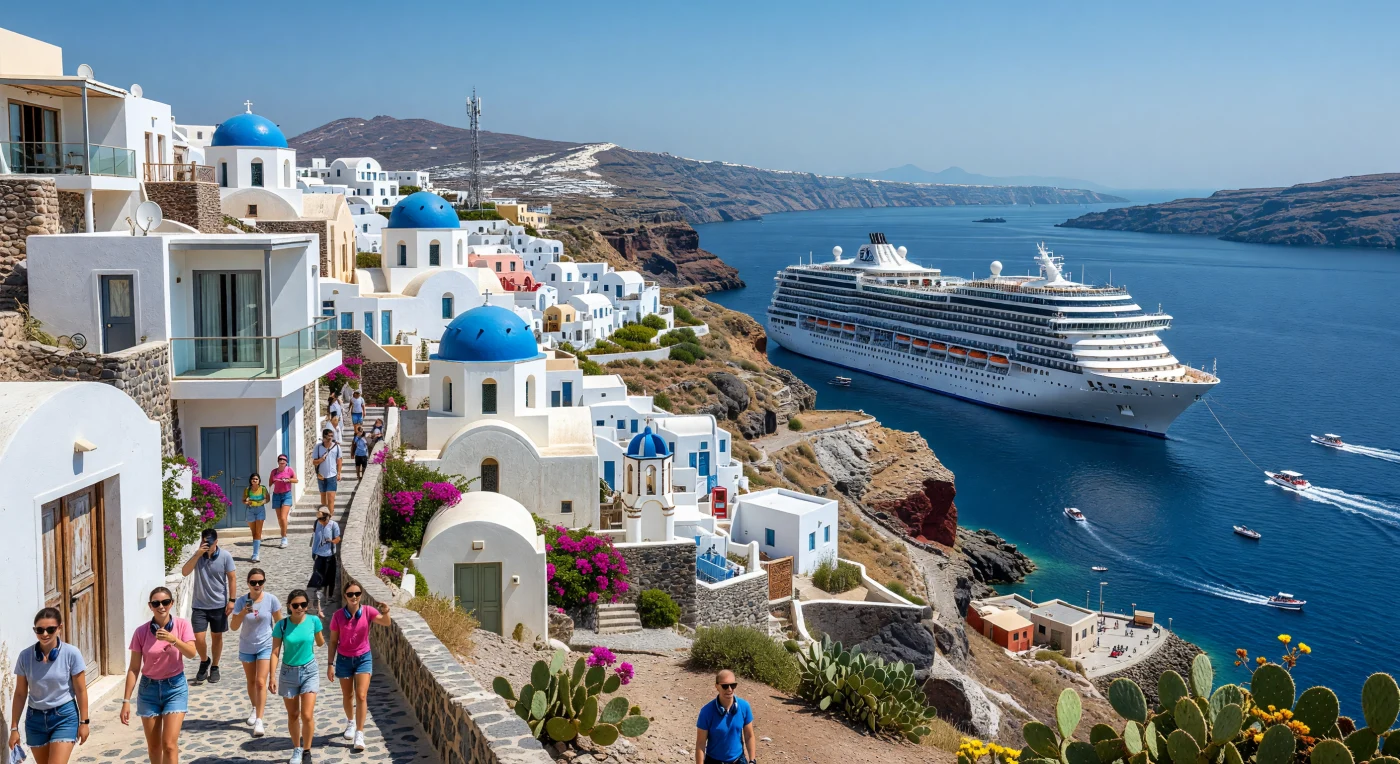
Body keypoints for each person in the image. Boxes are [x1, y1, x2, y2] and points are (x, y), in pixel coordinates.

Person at [120, 586, 197, 764]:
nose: (161, 606)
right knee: (154, 747)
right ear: (150, 606)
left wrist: (174, 640)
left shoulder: (182, 625)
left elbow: (192, 653)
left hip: (175, 688)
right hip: (149, 690)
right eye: (156, 603)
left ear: (172, 603)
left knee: (169, 745)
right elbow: (134, 668)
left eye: (165, 602)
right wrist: (126, 701)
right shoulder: (141, 632)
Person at [9, 608, 89, 764]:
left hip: (64, 716)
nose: (45, 634)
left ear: (60, 627)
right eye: (40, 630)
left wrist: (84, 722)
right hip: (35, 720)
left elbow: (81, 690)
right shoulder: (25, 656)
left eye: (50, 629)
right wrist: (14, 729)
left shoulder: (72, 654)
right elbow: (20, 694)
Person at [326, 581, 391, 753]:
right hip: (344, 660)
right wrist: (330, 664)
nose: (354, 597)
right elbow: (333, 642)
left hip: (363, 658)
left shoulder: (368, 611)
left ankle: (360, 733)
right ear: (345, 596)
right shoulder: (338, 616)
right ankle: (350, 722)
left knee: (361, 695)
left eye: (357, 593)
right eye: (350, 594)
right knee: (348, 695)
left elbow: (386, 622)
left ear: (361, 595)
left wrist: (386, 612)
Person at [269, 589, 324, 764]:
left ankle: (307, 750)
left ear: (307, 606)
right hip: (288, 672)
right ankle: (296, 748)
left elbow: (321, 642)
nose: (299, 608)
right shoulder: (282, 625)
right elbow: (275, 652)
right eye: (295, 605)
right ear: (289, 606)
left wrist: (322, 629)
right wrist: (272, 676)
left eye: (303, 605)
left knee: (307, 714)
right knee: (293, 714)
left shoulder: (314, 621)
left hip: (309, 670)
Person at [231, 568, 282, 739]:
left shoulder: (271, 600)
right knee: (251, 681)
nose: (257, 585)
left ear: (264, 582)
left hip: (265, 645)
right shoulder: (241, 602)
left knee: (261, 682)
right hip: (247, 645)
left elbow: (279, 623)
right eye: (253, 582)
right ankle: (254, 707)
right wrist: (243, 613)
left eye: (260, 582)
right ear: (248, 583)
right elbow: (233, 626)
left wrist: (281, 643)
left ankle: (259, 720)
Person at [181, 528, 236, 685]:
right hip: (199, 605)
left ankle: (215, 666)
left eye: (210, 543)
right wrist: (197, 554)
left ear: (216, 542)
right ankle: (204, 660)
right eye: (204, 542)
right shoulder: (197, 556)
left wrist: (232, 600)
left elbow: (232, 578)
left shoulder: (225, 556)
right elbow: (185, 572)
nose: (207, 545)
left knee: (216, 637)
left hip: (219, 605)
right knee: (198, 638)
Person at [695, 669, 756, 764]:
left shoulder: (744, 706)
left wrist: (752, 760)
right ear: (717, 687)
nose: (729, 689)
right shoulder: (706, 712)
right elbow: (700, 744)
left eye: (733, 685)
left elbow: (749, 736)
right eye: (725, 686)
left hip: (739, 760)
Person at [307, 507, 342, 617]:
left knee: (330, 577)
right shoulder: (317, 523)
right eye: (320, 519)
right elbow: (315, 536)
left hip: (329, 555)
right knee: (318, 577)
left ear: (328, 517)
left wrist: (331, 541)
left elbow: (338, 539)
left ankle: (329, 597)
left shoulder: (333, 525)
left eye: (323, 519)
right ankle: (317, 601)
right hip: (319, 554)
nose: (321, 521)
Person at [269, 454, 298, 550]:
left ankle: (284, 537)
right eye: (280, 459)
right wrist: (275, 482)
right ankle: (283, 532)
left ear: (286, 462)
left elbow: (296, 480)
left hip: (286, 495)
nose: (282, 461)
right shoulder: (274, 471)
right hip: (276, 495)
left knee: (283, 517)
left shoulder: (289, 470)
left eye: (284, 460)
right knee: (279, 518)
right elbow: (270, 483)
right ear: (278, 461)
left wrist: (288, 480)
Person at [312, 428, 342, 513]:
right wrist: (320, 460)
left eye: (332, 436)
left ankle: (330, 517)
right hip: (321, 476)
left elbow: (339, 460)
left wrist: (339, 473)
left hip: (332, 476)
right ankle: (325, 516)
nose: (330, 438)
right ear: (324, 437)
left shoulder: (336, 447)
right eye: (329, 436)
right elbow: (314, 462)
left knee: (331, 499)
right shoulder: (318, 447)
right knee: (323, 499)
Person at [243, 473, 270, 563]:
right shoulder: (247, 489)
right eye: (253, 479)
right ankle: (255, 552)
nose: (254, 480)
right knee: (254, 533)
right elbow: (243, 500)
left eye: (256, 479)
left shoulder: (262, 489)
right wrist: (247, 502)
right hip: (250, 510)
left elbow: (268, 499)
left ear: (259, 481)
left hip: (260, 510)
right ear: (250, 480)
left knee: (258, 532)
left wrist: (263, 501)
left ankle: (255, 555)